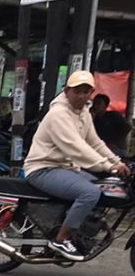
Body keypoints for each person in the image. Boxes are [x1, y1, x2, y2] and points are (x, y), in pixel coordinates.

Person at [23, 71, 130, 261]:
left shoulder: (84, 112)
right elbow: (77, 148)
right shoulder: (58, 114)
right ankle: (61, 239)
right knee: (89, 193)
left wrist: (116, 161)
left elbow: (95, 142)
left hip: (65, 168)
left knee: (105, 186)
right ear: (67, 91)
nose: (82, 96)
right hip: (43, 168)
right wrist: (108, 166)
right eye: (77, 91)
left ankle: (78, 229)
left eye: (86, 91)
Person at [91, 94, 132, 158]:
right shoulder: (94, 119)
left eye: (99, 104)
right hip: (101, 149)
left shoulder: (113, 115)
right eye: (94, 103)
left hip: (116, 148)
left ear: (106, 106)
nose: (95, 106)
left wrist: (114, 142)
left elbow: (127, 127)